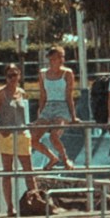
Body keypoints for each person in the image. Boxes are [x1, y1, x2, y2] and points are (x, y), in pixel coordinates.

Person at [32, 44, 81, 178]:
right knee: (33, 138)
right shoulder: (43, 74)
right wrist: (40, 115)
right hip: (48, 106)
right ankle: (52, 158)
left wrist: (73, 116)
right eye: (53, 58)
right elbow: (42, 96)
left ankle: (65, 159)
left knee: (54, 135)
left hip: (62, 106)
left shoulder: (67, 73)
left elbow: (69, 96)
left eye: (58, 58)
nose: (55, 61)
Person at [0, 62, 34, 208]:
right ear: (5, 77)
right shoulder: (0, 93)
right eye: (10, 76)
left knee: (29, 170)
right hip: (7, 135)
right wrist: (0, 130)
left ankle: (35, 201)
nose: (13, 78)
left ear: (19, 75)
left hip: (22, 133)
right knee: (7, 171)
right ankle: (10, 206)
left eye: (15, 75)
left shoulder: (22, 92)